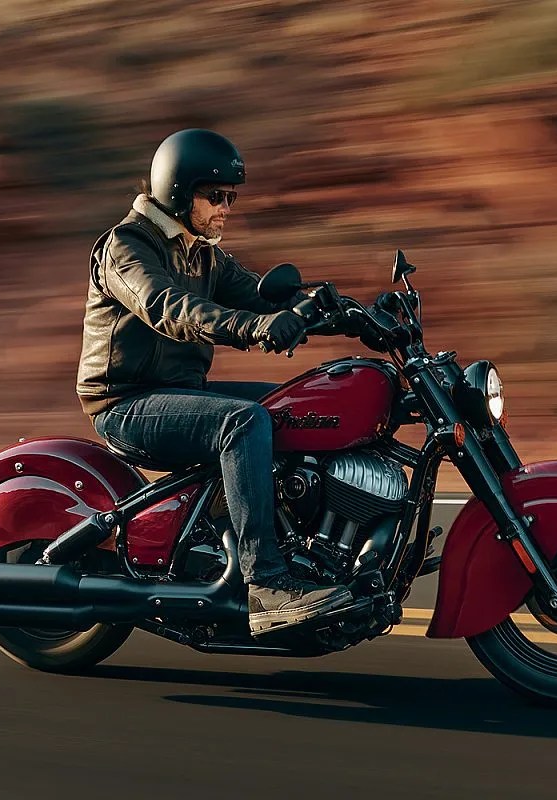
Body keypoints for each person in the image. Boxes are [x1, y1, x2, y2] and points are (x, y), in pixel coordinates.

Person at [76, 128, 353, 636]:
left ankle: (307, 549)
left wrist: (338, 311)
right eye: (216, 196)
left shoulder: (202, 253)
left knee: (298, 405)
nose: (226, 208)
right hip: (126, 403)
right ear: (179, 192)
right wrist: (254, 328)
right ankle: (267, 584)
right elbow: (167, 306)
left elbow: (259, 294)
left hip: (181, 395)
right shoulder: (126, 246)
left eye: (231, 197)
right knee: (242, 422)